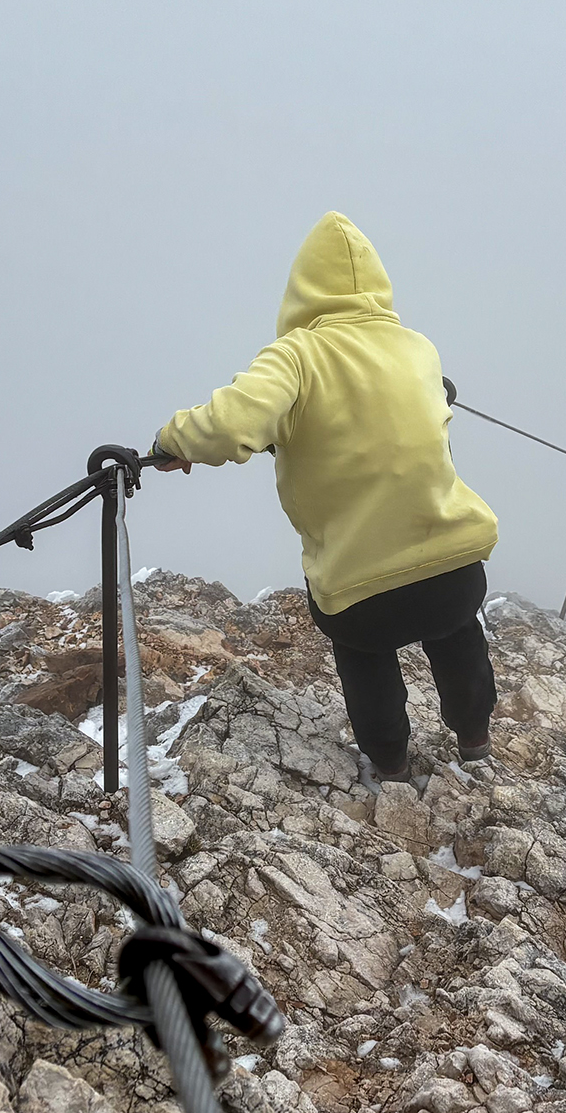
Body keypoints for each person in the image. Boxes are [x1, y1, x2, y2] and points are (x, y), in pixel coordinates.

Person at [152, 212, 500, 780]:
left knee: (362, 648)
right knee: (457, 629)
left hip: (362, 594)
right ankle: (475, 738)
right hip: (454, 572)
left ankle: (388, 760)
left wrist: (171, 441)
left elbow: (230, 423)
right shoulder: (418, 350)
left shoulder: (296, 355)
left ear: (303, 290)